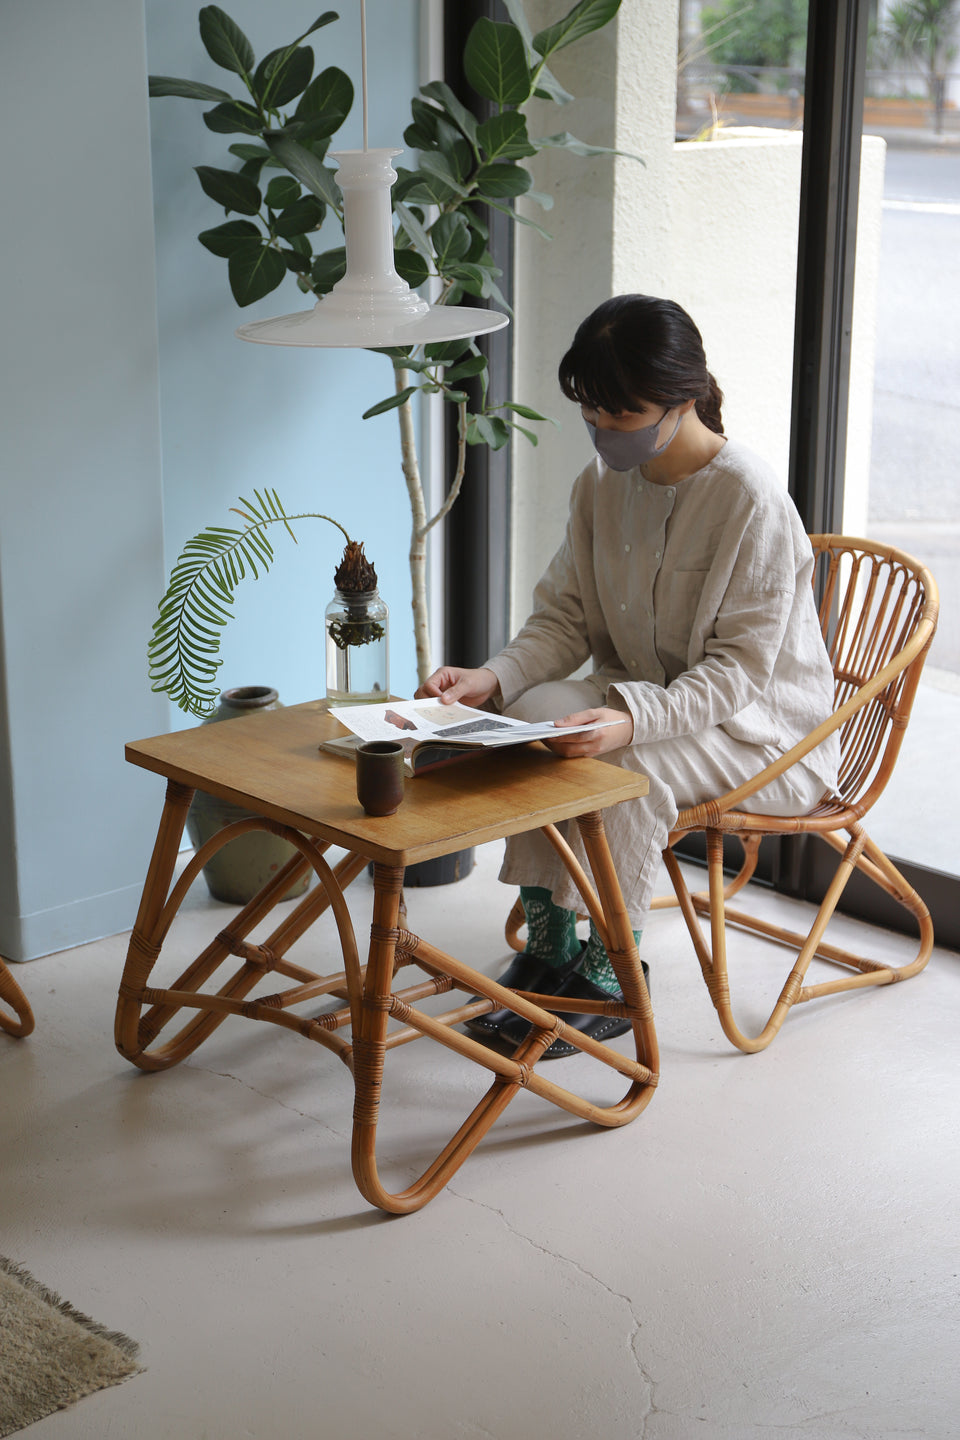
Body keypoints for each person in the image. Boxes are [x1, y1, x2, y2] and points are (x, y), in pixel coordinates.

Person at [416, 294, 839, 1058]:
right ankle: (550, 949)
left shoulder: (750, 500)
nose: (607, 431)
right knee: (534, 716)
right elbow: (565, 619)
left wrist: (631, 722)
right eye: (594, 414)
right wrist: (493, 677)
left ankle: (613, 977)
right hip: (646, 695)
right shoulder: (600, 486)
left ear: (682, 399)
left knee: (624, 763)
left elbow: (740, 673)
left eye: (625, 415)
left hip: (759, 732)